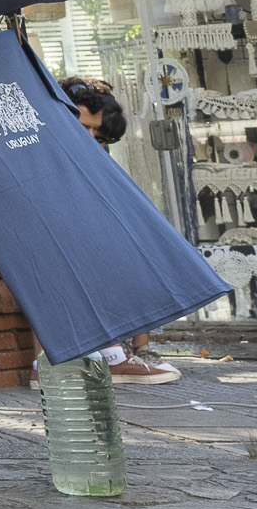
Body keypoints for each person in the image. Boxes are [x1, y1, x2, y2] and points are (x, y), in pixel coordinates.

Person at [63, 76, 182, 387]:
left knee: (137, 242)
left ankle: (139, 349)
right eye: (83, 126)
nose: (90, 137)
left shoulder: (95, 154)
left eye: (98, 133)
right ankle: (115, 355)